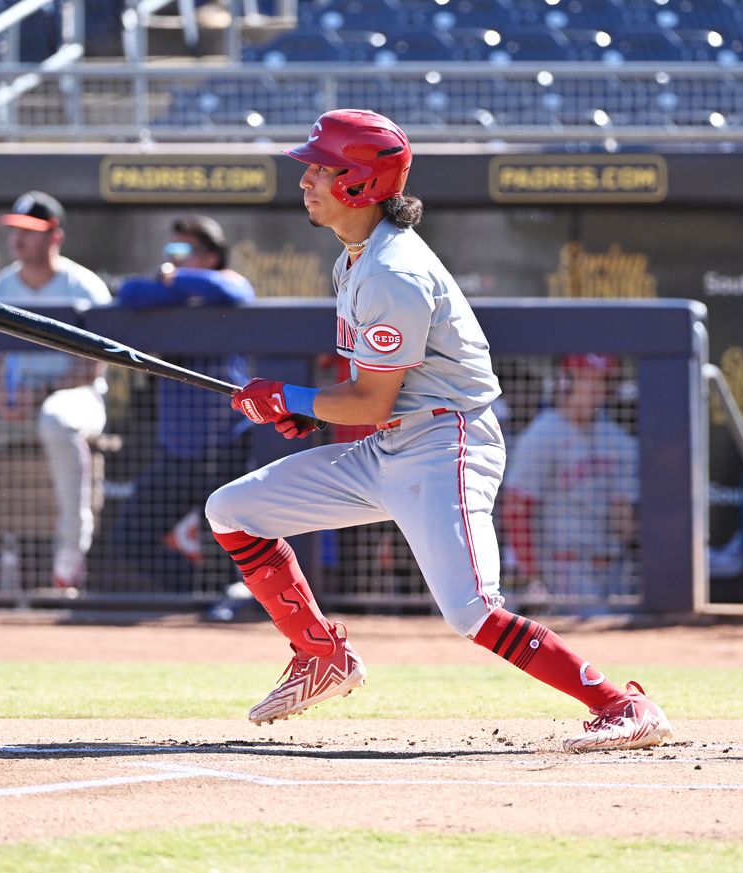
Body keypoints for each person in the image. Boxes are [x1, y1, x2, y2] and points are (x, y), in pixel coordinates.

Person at [203, 109, 672, 752]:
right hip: (392, 441)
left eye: (320, 168)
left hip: (445, 445)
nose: (306, 179)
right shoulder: (357, 258)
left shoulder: (392, 272)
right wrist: (306, 407)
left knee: (472, 611)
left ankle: (622, 704)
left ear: (360, 184)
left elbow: (370, 397)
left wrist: (294, 396)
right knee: (232, 510)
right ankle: (321, 655)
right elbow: (368, 399)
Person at [0, 192, 112, 591]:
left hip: (73, 398)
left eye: (30, 231)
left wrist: (42, 389)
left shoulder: (84, 286)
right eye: (16, 230)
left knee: (57, 419)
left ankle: (71, 549)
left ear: (54, 237)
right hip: (9, 405)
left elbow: (93, 366)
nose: (18, 239)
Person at [107, 215, 254, 598]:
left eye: (182, 251)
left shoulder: (227, 287)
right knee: (130, 538)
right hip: (177, 453)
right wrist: (172, 284)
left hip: (228, 449)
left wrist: (171, 280)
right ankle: (195, 594)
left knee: (236, 545)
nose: (170, 261)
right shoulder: (164, 298)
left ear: (210, 256)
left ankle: (232, 603)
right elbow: (130, 293)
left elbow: (232, 291)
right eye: (170, 251)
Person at [500, 353, 639, 614]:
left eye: (602, 381)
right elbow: (516, 507)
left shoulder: (618, 438)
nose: (596, 390)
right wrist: (531, 572)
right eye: (588, 380)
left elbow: (625, 514)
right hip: (564, 565)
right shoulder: (543, 433)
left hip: (615, 566)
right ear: (567, 382)